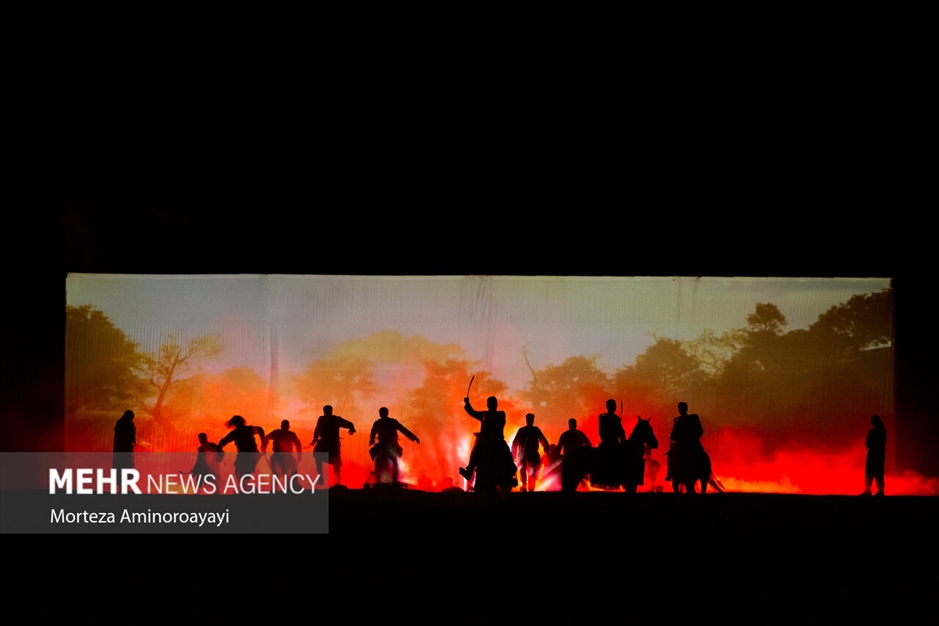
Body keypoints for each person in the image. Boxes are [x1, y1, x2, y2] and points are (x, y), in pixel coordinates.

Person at [459, 395, 517, 488]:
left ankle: (511, 475)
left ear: (496, 404)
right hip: (485, 441)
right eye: (490, 403)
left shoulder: (500, 414)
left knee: (506, 453)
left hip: (497, 441)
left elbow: (499, 422)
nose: (491, 405)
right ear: (488, 404)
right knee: (476, 451)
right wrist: (467, 404)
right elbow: (472, 412)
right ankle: (469, 472)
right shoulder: (484, 414)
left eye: (492, 403)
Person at [368, 407, 420, 485]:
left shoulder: (379, 423)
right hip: (389, 445)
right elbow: (403, 429)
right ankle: (391, 479)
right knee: (393, 461)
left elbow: (373, 432)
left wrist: (413, 437)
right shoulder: (391, 422)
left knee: (381, 461)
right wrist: (413, 437)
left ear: (380, 414)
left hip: (386, 445)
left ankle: (385, 479)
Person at [311, 405, 355, 486]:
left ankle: (336, 480)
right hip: (328, 442)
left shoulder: (332, 419)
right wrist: (314, 439)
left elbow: (349, 424)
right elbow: (317, 429)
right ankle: (323, 477)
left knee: (335, 462)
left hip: (332, 443)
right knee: (319, 456)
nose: (327, 413)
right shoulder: (326, 419)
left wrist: (314, 439)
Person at [218, 415, 266, 479]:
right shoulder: (248, 429)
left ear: (235, 424)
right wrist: (263, 443)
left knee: (241, 473)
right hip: (251, 455)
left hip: (246, 456)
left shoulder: (237, 432)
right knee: (243, 473)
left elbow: (222, 442)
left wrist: (219, 450)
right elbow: (260, 429)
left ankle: (245, 487)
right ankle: (245, 486)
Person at [511, 413, 549, 492]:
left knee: (531, 473)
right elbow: (515, 443)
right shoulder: (526, 430)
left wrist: (546, 448)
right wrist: (513, 454)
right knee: (524, 472)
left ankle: (529, 489)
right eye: (529, 419)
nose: (530, 421)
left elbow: (543, 440)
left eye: (531, 419)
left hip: (530, 454)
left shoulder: (533, 430)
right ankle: (525, 488)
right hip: (524, 454)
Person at [861, 415, 887, 496]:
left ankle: (875, 491)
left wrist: (871, 446)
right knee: (873, 473)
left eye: (872, 420)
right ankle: (871, 491)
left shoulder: (877, 431)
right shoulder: (880, 430)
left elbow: (870, 442)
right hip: (876, 454)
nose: (871, 422)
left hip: (875, 454)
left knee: (874, 473)